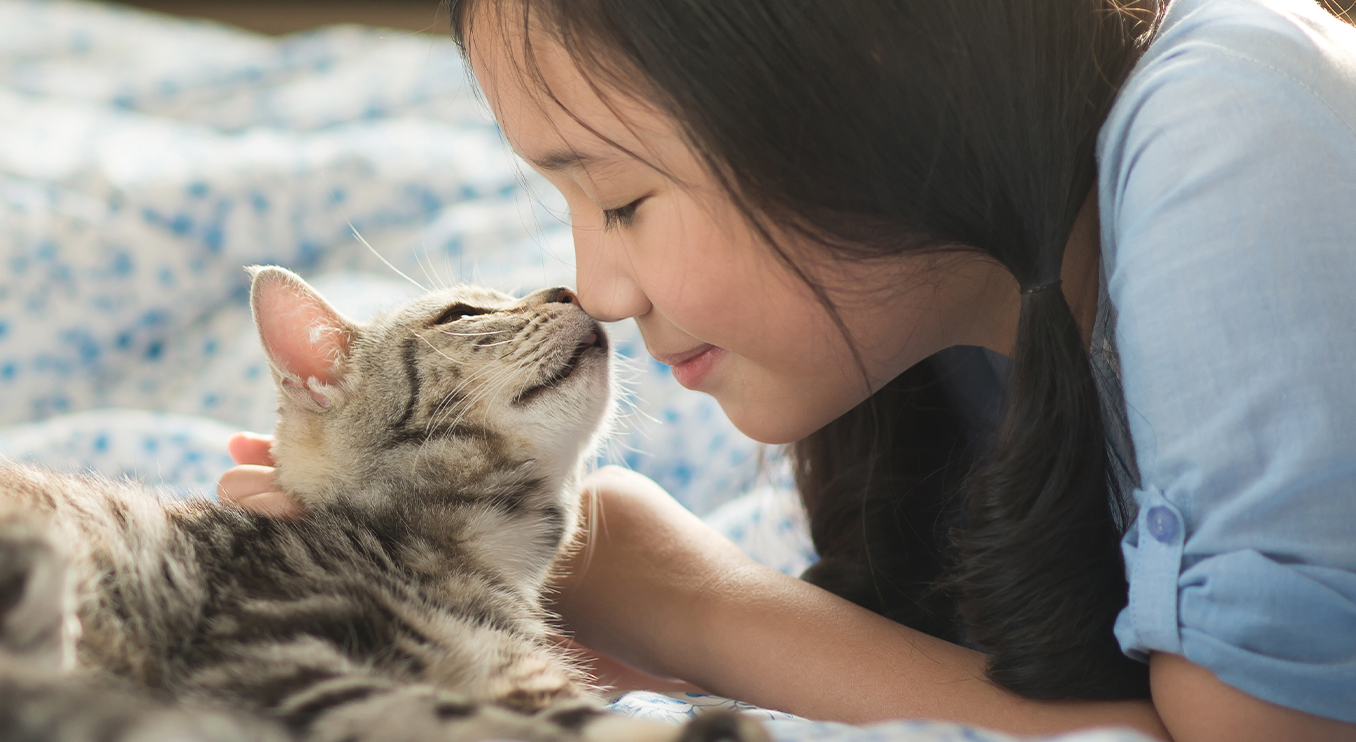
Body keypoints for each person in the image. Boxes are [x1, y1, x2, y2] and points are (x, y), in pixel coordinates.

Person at [218, 0, 1356, 738]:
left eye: (621, 199)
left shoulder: (1231, 116)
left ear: (857, 77)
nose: (597, 290)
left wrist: (684, 594)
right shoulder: (955, 343)